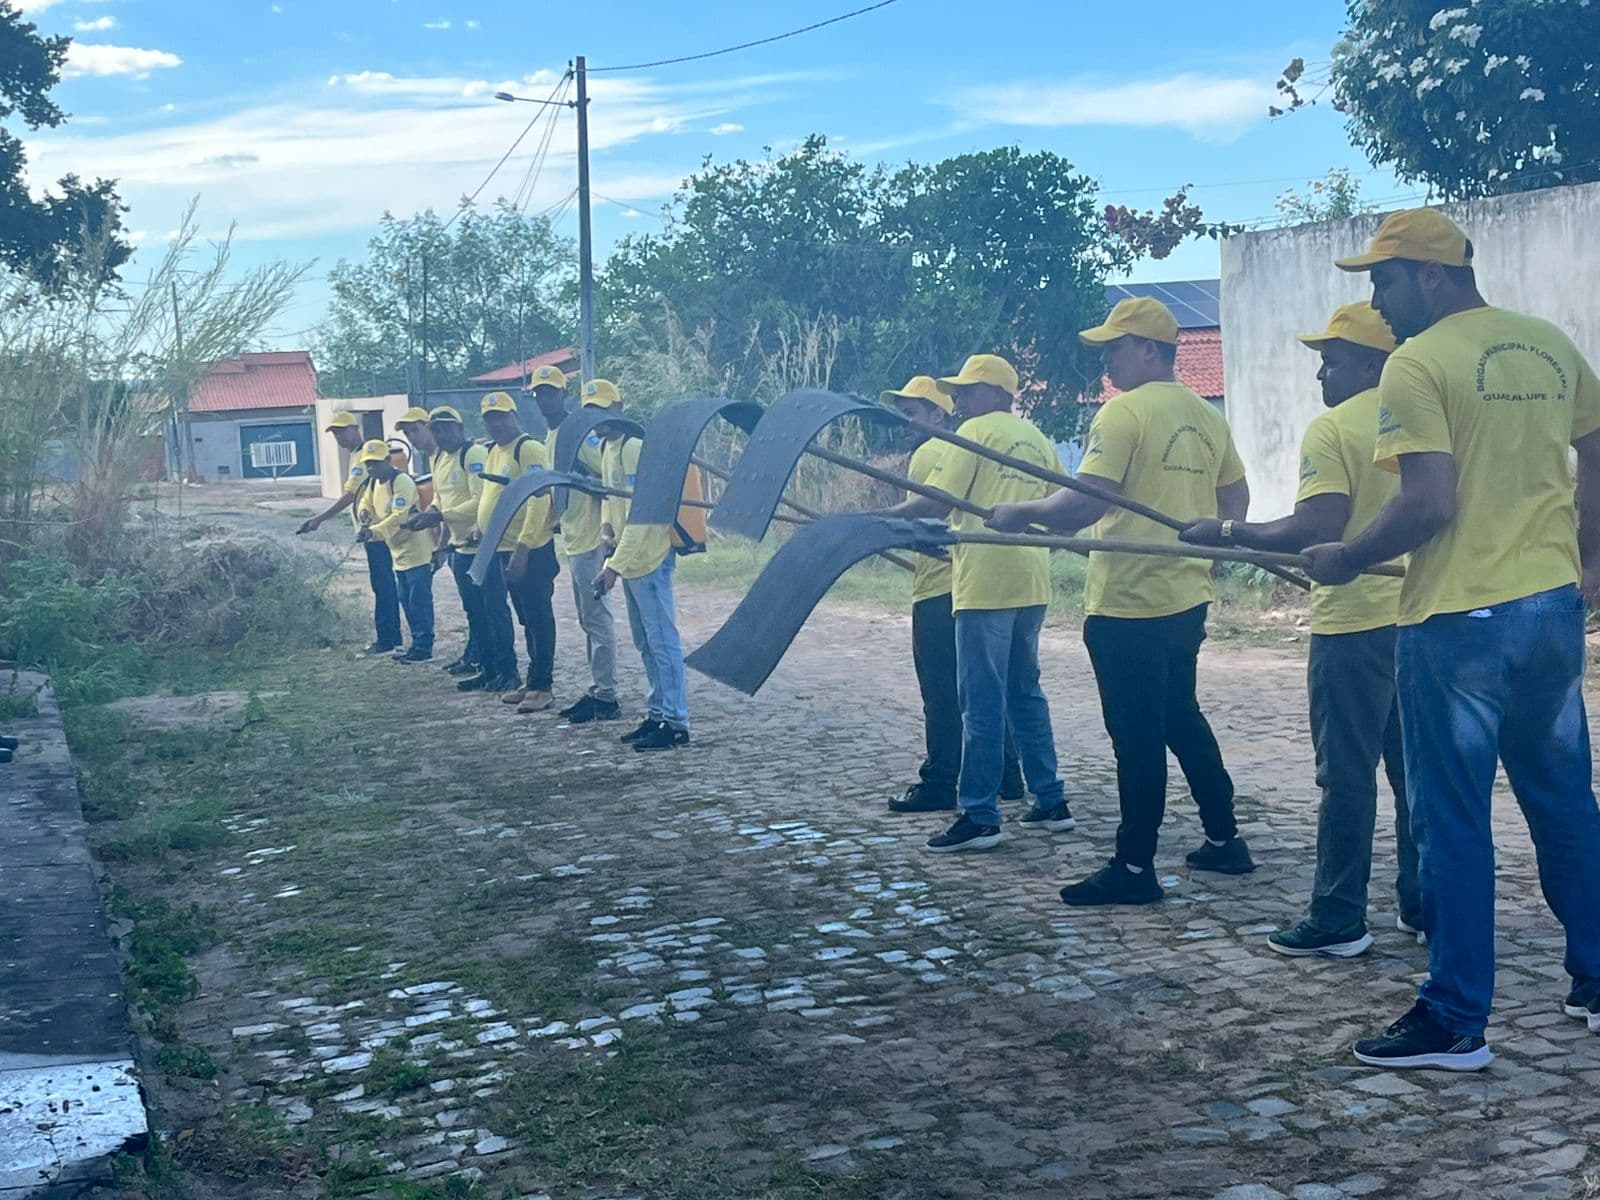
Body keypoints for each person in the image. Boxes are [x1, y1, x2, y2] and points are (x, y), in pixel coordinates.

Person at [1301, 208, 1600, 1069]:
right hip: (1548, 614)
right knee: (1566, 806)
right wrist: (1587, 559)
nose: (1379, 302)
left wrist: (1349, 556)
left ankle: (1455, 1017)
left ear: (1432, 274)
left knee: (1452, 824)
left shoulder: (1417, 365)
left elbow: (1429, 503)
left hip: (1456, 626)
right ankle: (1595, 978)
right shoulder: (1547, 345)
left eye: (1384, 280)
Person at [991, 297, 1251, 904]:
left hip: (1129, 604)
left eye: (1115, 345)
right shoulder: (1207, 417)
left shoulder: (1122, 414)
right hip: (1186, 598)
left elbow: (1084, 504)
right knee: (1180, 717)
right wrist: (1207, 556)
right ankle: (1224, 839)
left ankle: (1134, 868)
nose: (1107, 357)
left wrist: (1021, 513)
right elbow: (1234, 502)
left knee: (1137, 735)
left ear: (1149, 349)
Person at [1181, 303, 1418, 956]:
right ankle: (1423, 903)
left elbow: (1319, 527)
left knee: (1345, 777)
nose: (1321, 374)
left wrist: (1228, 532)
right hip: (1419, 621)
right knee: (1414, 775)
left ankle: (1340, 916)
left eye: (1333, 359)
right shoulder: (1429, 422)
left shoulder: (1335, 428)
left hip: (1353, 629)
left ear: (1372, 363)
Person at [877, 354, 1070, 854]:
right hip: (1032, 579)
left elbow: (934, 500)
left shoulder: (975, 433)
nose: (958, 400)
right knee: (1025, 692)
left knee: (980, 702)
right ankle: (1050, 799)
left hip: (985, 581)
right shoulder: (1038, 439)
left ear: (992, 393)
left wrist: (880, 519)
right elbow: (1056, 508)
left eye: (965, 390)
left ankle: (980, 814)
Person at [879, 375, 1026, 815]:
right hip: (974, 583)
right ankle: (1008, 775)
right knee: (984, 689)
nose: (904, 421)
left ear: (938, 414)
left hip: (938, 589)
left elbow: (930, 515)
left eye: (912, 412)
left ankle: (941, 780)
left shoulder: (929, 453)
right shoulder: (967, 448)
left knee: (941, 692)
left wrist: (879, 523)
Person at [591, 378, 691, 752]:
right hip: (627, 557)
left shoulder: (634, 448)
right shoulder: (606, 447)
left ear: (618, 407)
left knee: (663, 641)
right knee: (645, 642)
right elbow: (610, 500)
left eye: (603, 409)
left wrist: (613, 567)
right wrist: (605, 530)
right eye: (592, 411)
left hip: (648, 557)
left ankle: (677, 720)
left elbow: (642, 514)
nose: (598, 418)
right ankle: (658, 713)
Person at [530, 365, 621, 723]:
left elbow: (607, 478)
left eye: (549, 392)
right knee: (587, 619)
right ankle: (599, 689)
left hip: (590, 537)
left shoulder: (581, 433)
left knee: (597, 619)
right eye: (538, 393)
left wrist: (581, 479)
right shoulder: (553, 436)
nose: (543, 399)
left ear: (563, 395)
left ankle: (607, 695)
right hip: (571, 535)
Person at [466, 391, 558, 708]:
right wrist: (482, 527)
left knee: (538, 616)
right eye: (491, 418)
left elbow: (539, 498)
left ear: (514, 416)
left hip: (530, 549)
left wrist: (523, 549)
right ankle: (532, 682)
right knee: (526, 619)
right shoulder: (494, 452)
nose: (497, 424)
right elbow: (494, 495)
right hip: (504, 549)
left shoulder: (528, 448)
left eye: (502, 416)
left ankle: (543, 687)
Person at [297, 411, 401, 654]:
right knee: (385, 585)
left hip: (376, 531)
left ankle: (388, 639)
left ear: (356, 428)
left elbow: (350, 495)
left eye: (343, 431)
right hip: (372, 531)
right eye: (335, 433)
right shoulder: (357, 456)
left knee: (383, 585)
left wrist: (319, 520)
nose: (340, 437)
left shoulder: (364, 457)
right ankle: (391, 637)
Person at [413, 406, 490, 680]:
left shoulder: (473, 455)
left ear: (459, 428)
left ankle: (492, 664)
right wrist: (430, 513)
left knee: (487, 609)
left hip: (479, 544)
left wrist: (441, 515)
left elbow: (480, 501)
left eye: (447, 427)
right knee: (471, 608)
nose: (442, 434)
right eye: (436, 429)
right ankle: (475, 656)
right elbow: (440, 497)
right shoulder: (439, 459)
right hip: (458, 544)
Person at [354, 439, 435, 663]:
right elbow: (365, 503)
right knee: (405, 599)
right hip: (397, 552)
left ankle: (424, 646)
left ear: (388, 460)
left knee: (419, 599)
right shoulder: (373, 483)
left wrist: (374, 532)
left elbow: (399, 516)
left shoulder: (401, 482)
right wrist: (364, 513)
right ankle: (416, 644)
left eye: (376, 463)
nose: (371, 468)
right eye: (368, 464)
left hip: (416, 550)